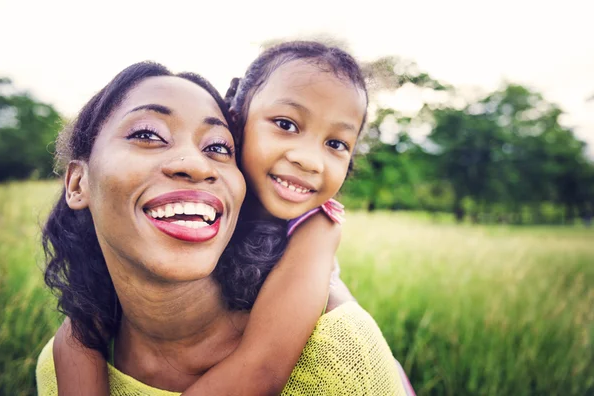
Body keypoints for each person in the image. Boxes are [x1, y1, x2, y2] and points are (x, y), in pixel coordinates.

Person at [38, 43, 413, 395]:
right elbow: (84, 324)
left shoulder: (318, 226)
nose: (308, 159)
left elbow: (262, 366)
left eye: (336, 144)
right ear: (237, 123)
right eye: (286, 124)